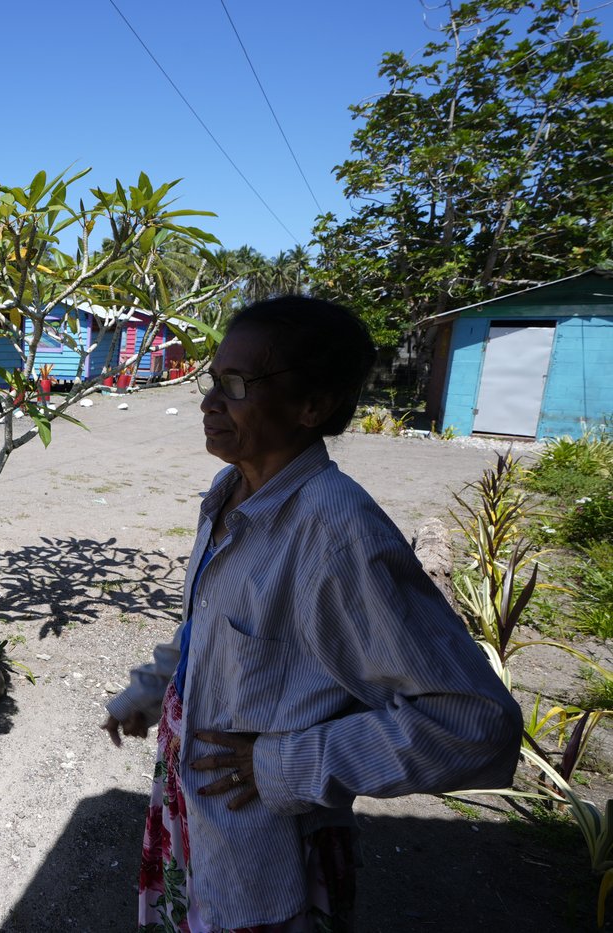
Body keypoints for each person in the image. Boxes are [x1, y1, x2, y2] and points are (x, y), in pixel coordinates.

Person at [101, 296, 522, 932]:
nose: (212, 402)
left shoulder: (336, 533)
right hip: (201, 826)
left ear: (312, 407)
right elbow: (210, 625)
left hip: (264, 864)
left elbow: (474, 725)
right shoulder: (232, 494)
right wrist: (154, 689)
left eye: (238, 384)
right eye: (214, 380)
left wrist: (284, 764)